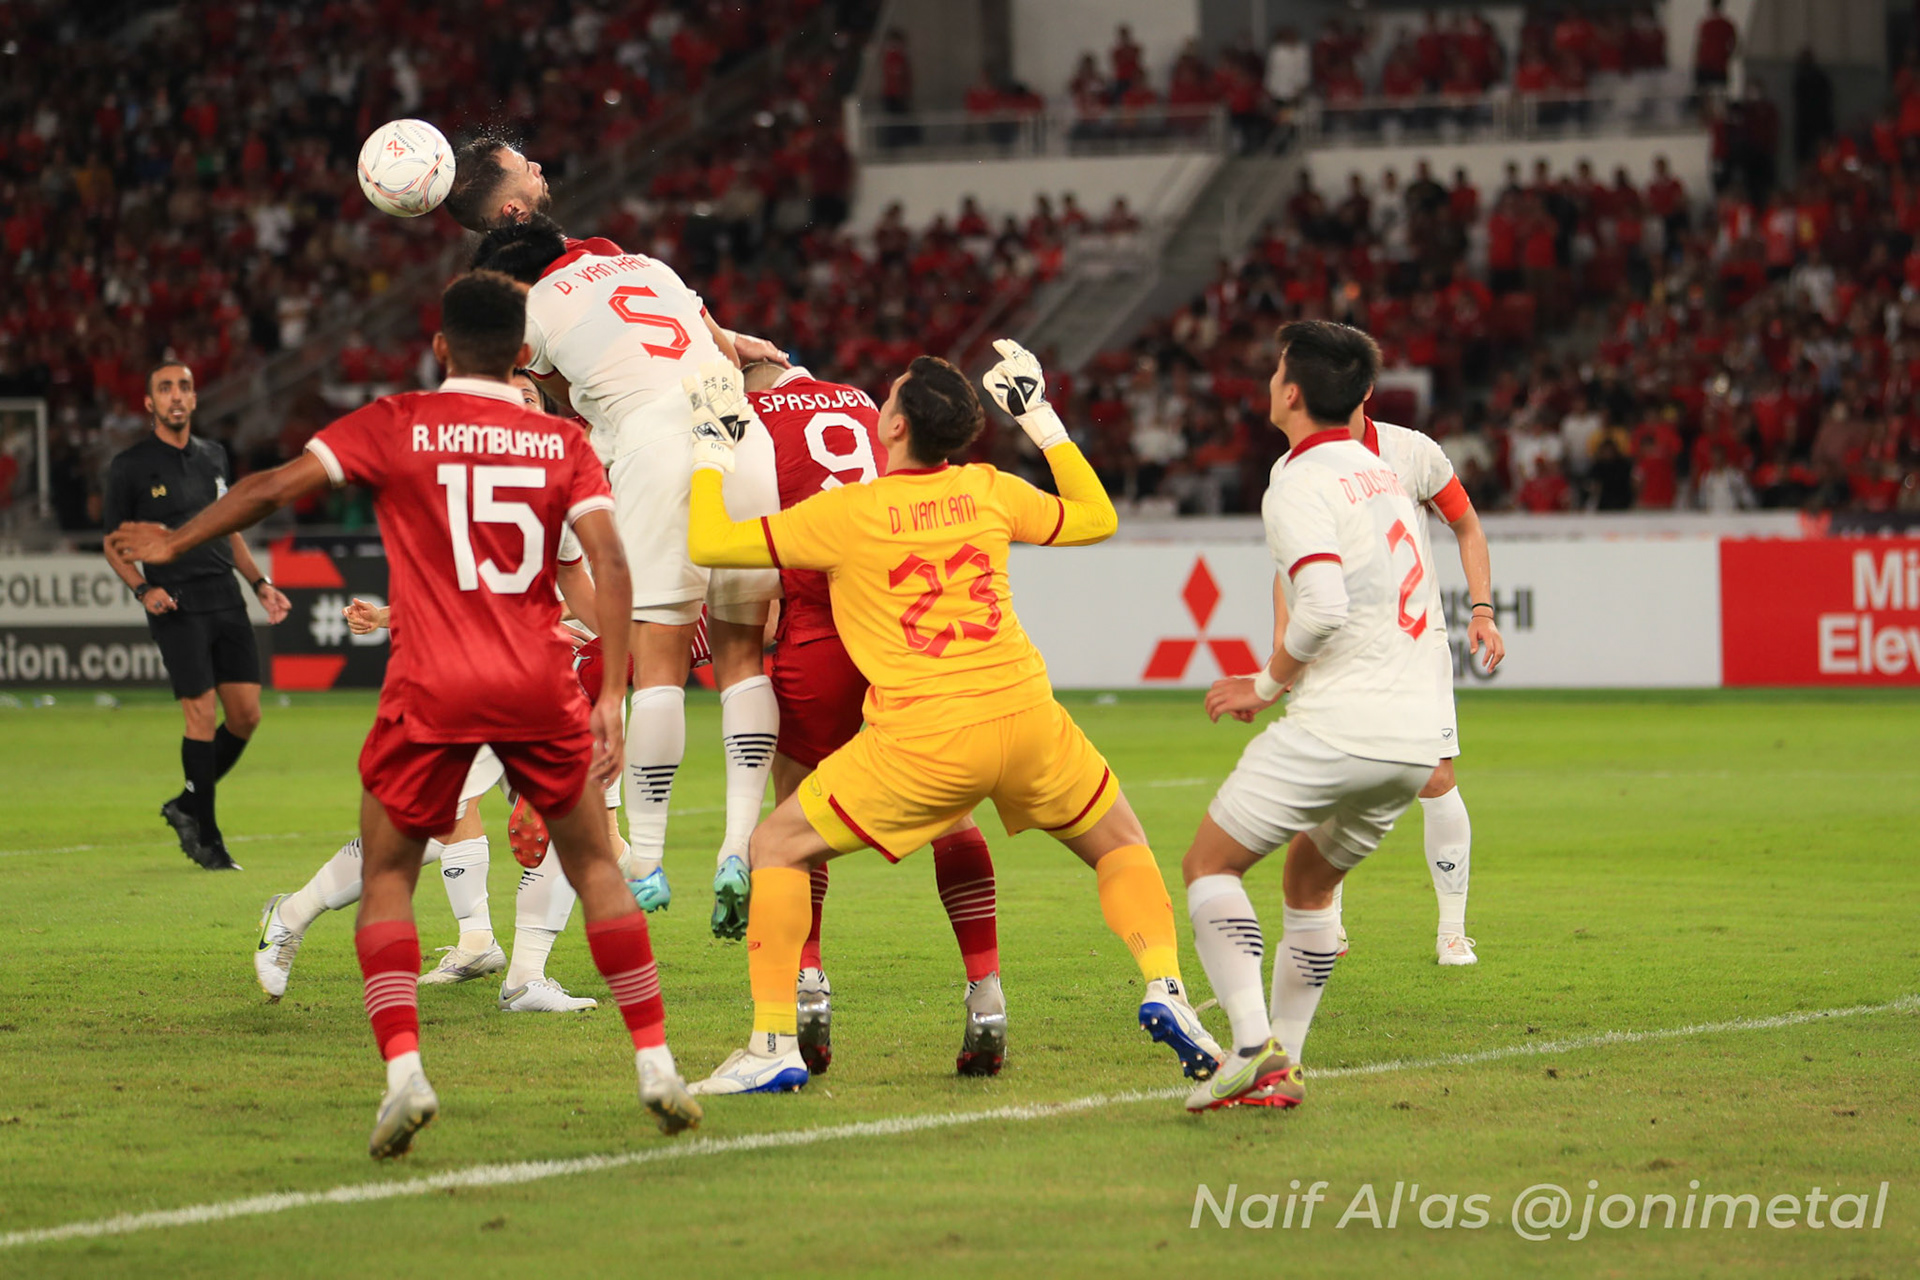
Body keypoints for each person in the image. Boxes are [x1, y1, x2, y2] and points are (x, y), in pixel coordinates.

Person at [109, 272, 701, 1156]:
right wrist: (612, 691)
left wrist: (175, 539)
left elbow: (270, 487)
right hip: (536, 682)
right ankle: (656, 1067)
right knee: (596, 867)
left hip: (432, 683)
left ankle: (406, 1077)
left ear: (440, 347)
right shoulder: (560, 442)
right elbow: (610, 566)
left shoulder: (400, 422)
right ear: (523, 352)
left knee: (390, 875)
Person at [679, 344, 1223, 1095]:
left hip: (927, 737)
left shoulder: (845, 514)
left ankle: (774, 1040)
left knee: (776, 844)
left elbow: (709, 542)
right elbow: (1098, 518)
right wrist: (1040, 417)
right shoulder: (988, 488)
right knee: (1122, 844)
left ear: (896, 427)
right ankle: (1165, 984)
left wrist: (711, 453)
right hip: (1027, 717)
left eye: (888, 397)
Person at [471, 214, 782, 940]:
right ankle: (739, 845)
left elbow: (527, 386)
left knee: (660, 667)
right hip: (740, 427)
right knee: (742, 657)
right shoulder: (651, 266)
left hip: (654, 440)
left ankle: (645, 858)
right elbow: (722, 350)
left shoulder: (534, 306)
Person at [1179, 321, 1441, 1113]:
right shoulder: (1380, 471)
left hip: (1341, 724)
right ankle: (1284, 1064)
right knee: (1309, 882)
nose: (1269, 382)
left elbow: (1322, 606)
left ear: (1291, 392)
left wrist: (1264, 684)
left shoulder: (1298, 479)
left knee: (1209, 865)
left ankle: (1250, 1047)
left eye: (1275, 371)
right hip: (1414, 737)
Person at [743, 359, 1007, 1076]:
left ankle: (806, 987)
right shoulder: (866, 406)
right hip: (899, 620)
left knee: (795, 818)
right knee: (951, 809)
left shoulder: (749, 421)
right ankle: (985, 990)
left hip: (818, 629)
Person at [1321, 410, 1506, 965]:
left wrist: (1482, 610)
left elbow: (1467, 524)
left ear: (1365, 388)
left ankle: (1452, 933)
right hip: (1342, 645)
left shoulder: (1413, 452)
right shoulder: (1301, 464)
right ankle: (1326, 925)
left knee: (1435, 777)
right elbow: (1289, 569)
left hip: (1415, 643)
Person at [102, 362, 293, 871]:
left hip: (225, 595)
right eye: (165, 388)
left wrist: (259, 584)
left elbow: (230, 527)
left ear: (193, 398)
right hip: (176, 602)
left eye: (183, 386)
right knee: (201, 716)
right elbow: (113, 544)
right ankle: (207, 838)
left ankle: (187, 802)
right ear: (150, 403)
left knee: (247, 715)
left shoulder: (213, 456)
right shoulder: (130, 466)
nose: (176, 395)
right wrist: (144, 589)